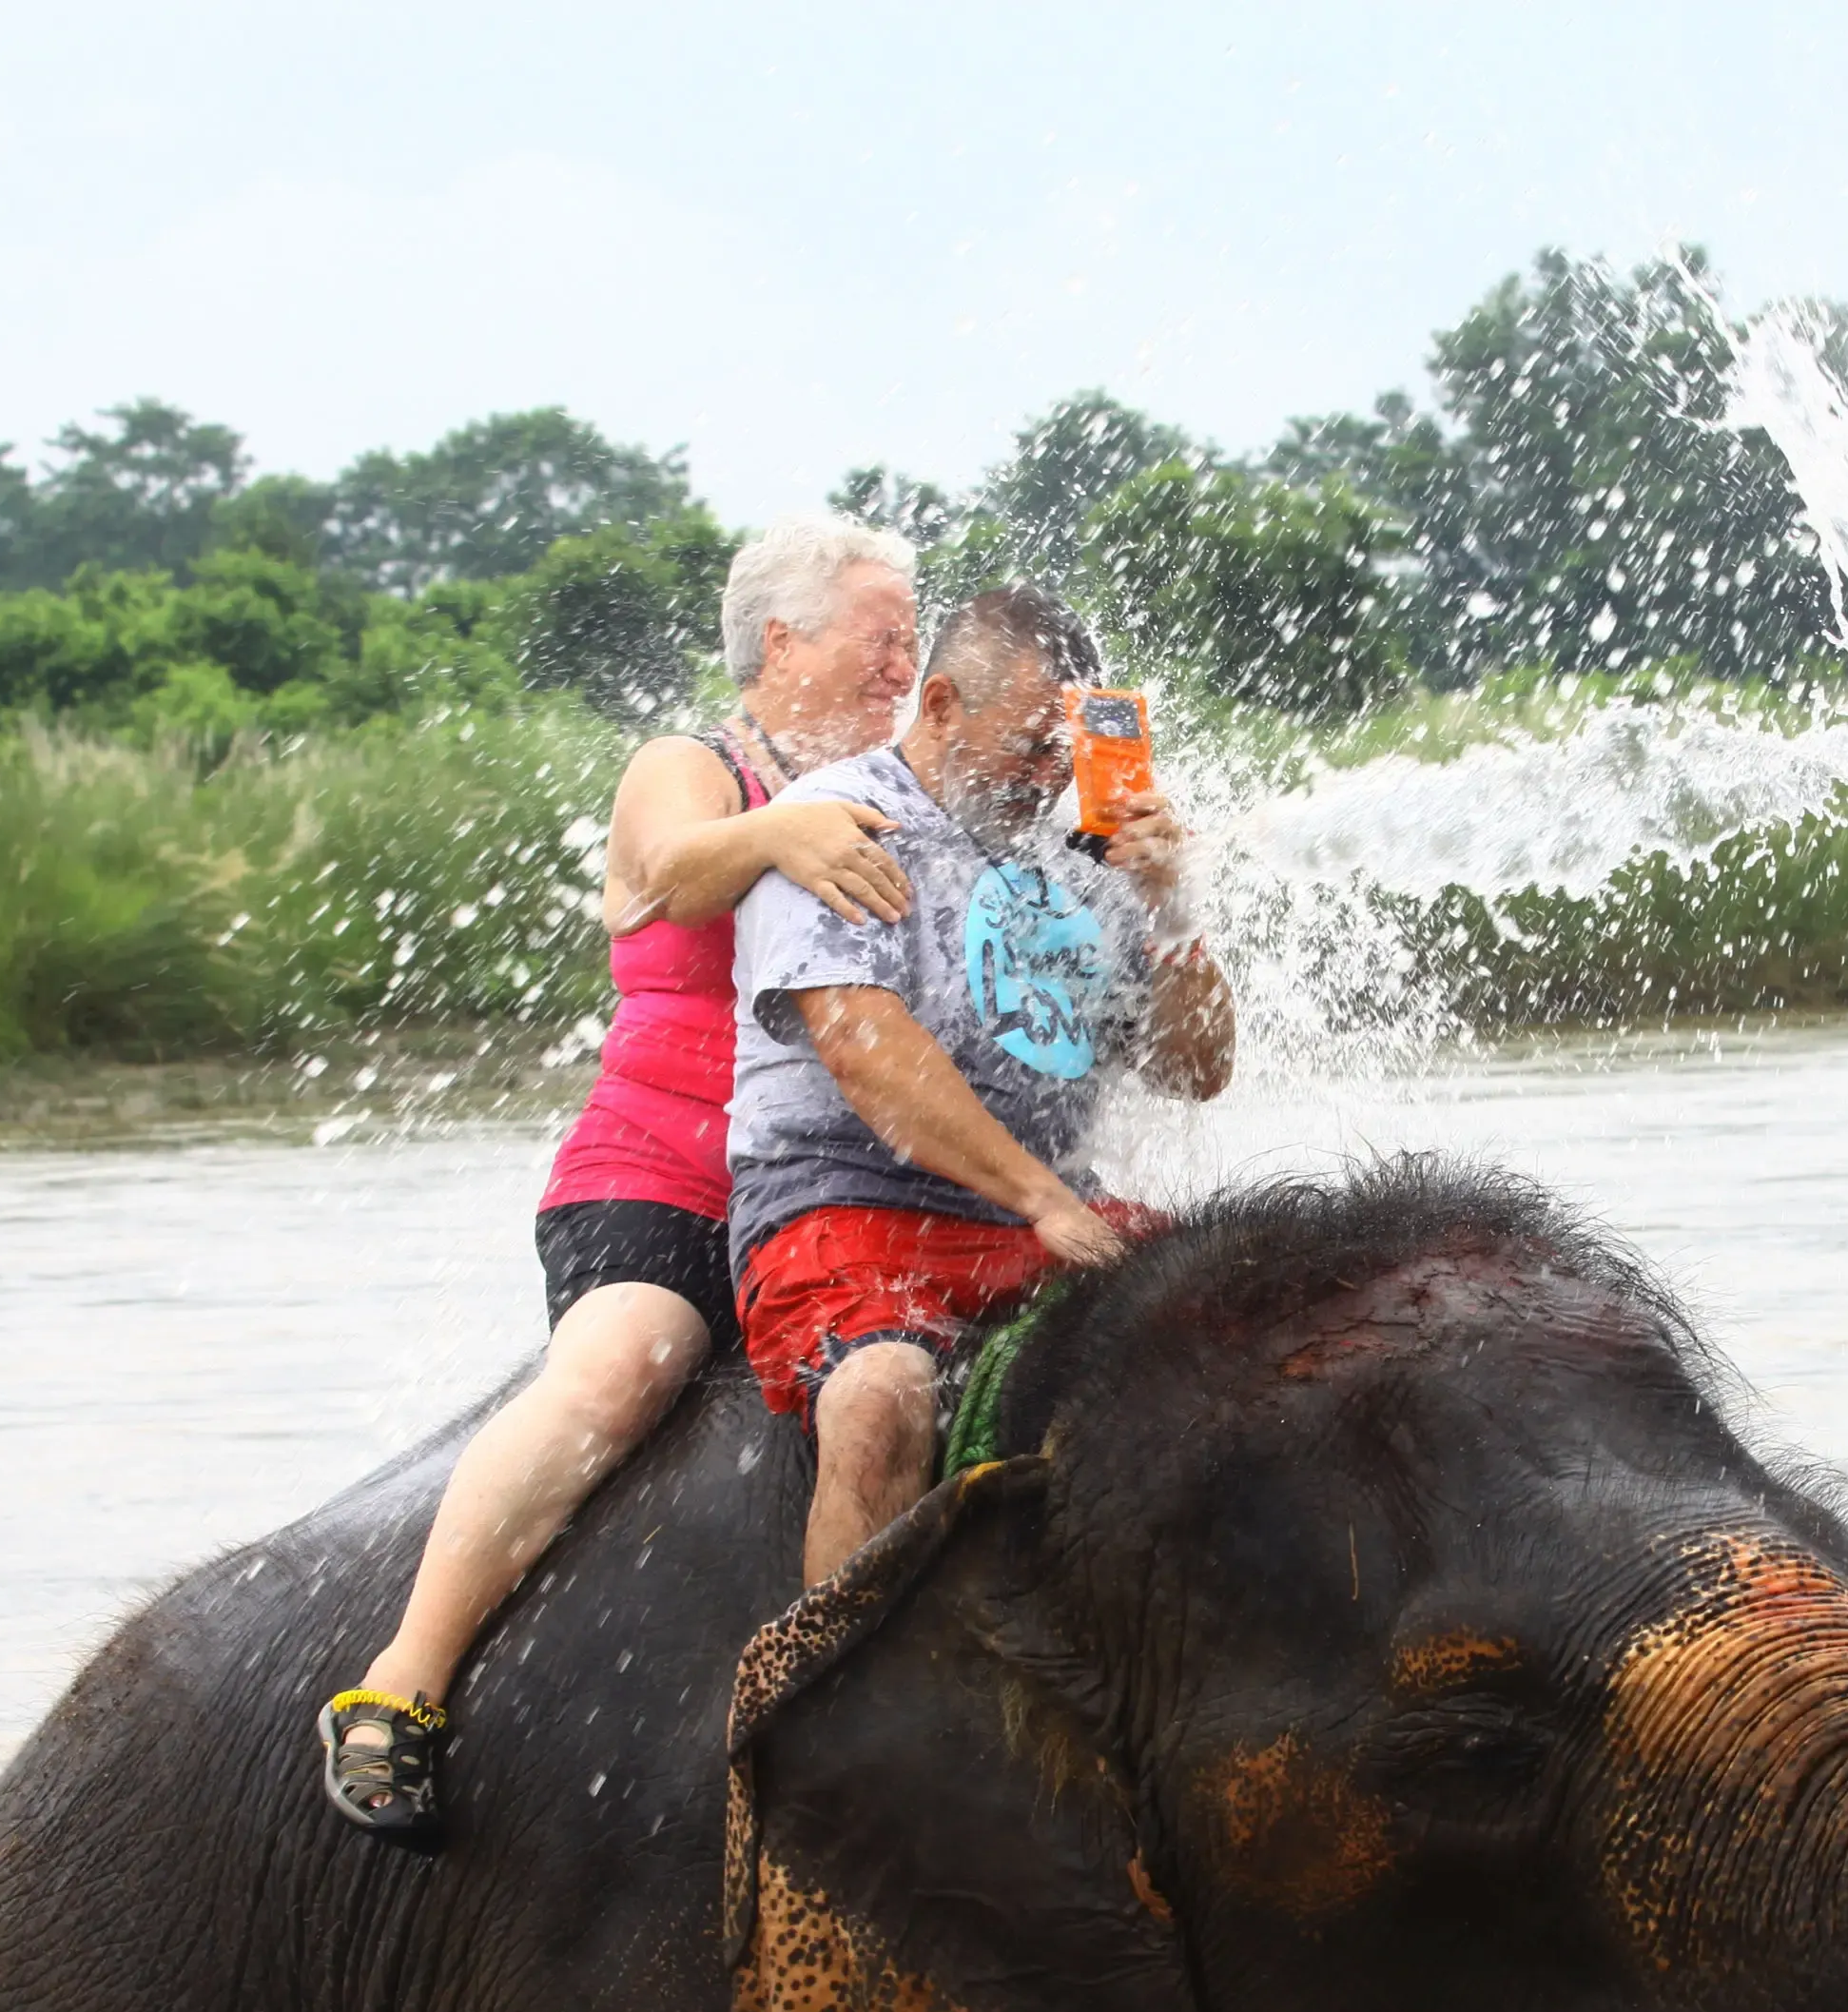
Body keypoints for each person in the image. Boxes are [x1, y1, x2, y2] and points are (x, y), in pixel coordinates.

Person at [318, 514, 923, 1840]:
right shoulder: (692, 763)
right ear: (785, 639)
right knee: (626, 1361)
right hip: (665, 1175)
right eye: (885, 637)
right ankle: (402, 1682)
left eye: (915, 641)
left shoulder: (901, 778)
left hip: (842, 1189)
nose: (906, 664)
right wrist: (788, 830)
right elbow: (658, 881)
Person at [729, 583, 1234, 1581]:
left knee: (1245, 1333)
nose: (1049, 778)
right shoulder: (838, 820)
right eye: (1029, 746)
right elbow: (866, 1052)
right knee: (883, 1400)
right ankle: (837, 1719)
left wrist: (1174, 909)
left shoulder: (1095, 844)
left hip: (1040, 1211)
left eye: (1066, 752)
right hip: (847, 1205)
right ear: (944, 703)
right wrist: (1042, 1199)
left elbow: (1195, 1075)